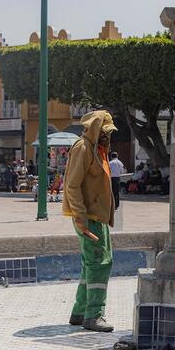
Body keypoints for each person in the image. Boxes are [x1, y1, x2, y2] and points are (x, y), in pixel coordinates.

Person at [63, 110, 118, 333]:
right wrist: (80, 217)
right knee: (100, 264)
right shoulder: (84, 148)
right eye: (105, 132)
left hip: (97, 217)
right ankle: (94, 314)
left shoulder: (97, 150)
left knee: (91, 265)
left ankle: (80, 311)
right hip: (89, 218)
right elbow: (72, 185)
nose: (107, 136)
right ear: (95, 130)